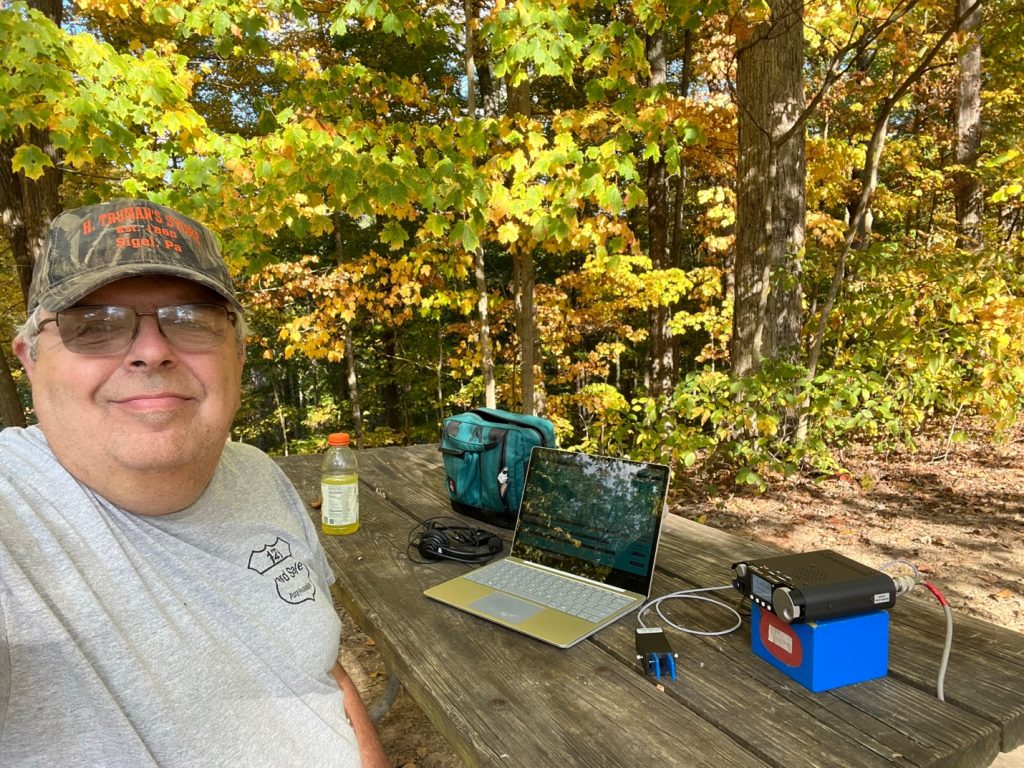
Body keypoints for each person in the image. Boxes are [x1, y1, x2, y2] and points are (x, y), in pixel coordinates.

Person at [0, 199, 390, 767]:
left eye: (192, 320)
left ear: (238, 351)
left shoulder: (256, 473)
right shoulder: (14, 512)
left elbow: (319, 667)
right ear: (30, 359)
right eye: (92, 325)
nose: (153, 351)